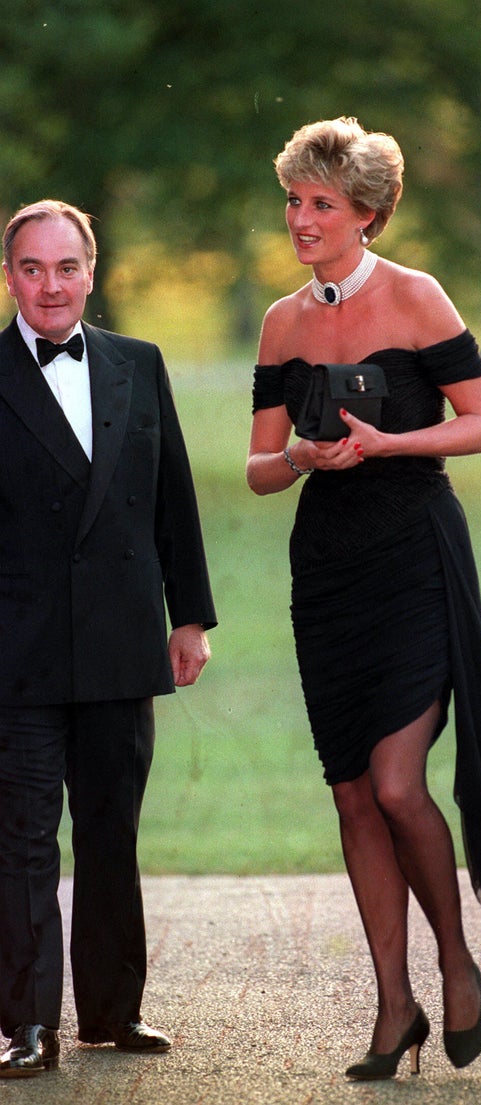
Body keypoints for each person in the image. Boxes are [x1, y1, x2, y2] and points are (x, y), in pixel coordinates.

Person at [247, 117, 481, 1081]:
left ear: (368, 215)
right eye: (295, 200)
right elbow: (258, 469)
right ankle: (394, 1004)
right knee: (349, 791)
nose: (302, 218)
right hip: (326, 569)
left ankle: (457, 960)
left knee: (394, 783)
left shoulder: (418, 298)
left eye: (321, 204)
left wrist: (388, 446)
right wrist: (298, 455)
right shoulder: (281, 321)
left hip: (416, 552)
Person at [0, 200, 216, 1077]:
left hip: (124, 639)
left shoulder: (138, 362)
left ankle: (113, 1012)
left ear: (93, 271)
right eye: (31, 268)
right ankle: (25, 1026)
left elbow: (173, 497)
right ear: (10, 275)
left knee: (112, 829)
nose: (50, 285)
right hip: (15, 648)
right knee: (19, 838)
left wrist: (190, 614)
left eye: (66, 267)